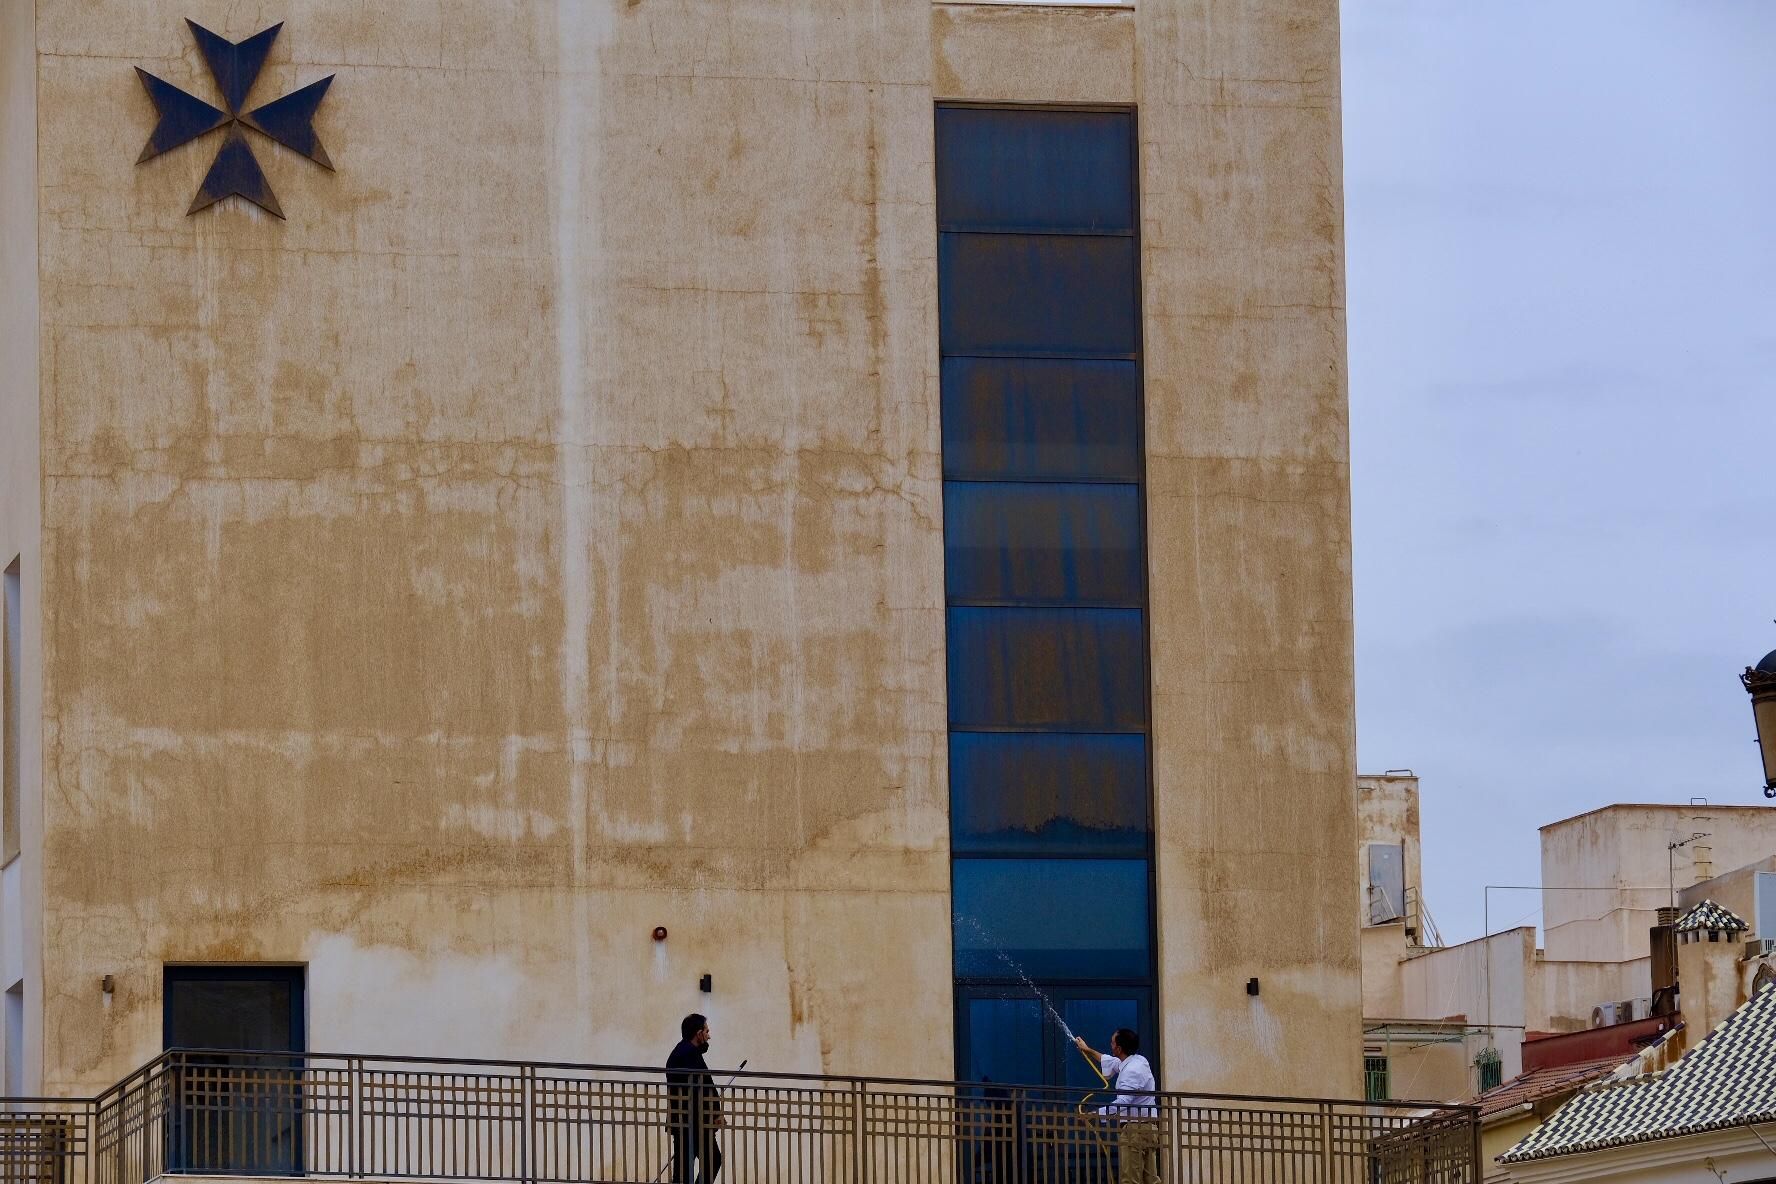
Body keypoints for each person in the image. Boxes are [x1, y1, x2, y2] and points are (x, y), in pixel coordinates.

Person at [1074, 1029, 1159, 1184]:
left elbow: (1123, 1102)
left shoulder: (1132, 1071)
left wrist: (1094, 1114)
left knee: (1130, 1180)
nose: (1110, 1045)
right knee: (1151, 1180)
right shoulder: (1138, 1061)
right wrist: (1088, 1050)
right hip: (1147, 1128)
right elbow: (1110, 1062)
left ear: (1118, 1049)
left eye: (1112, 1042)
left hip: (1136, 1130)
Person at [666, 1014, 724, 1184]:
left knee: (684, 1172)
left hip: (689, 1121)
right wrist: (713, 1115)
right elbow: (700, 1091)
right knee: (710, 1162)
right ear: (698, 1034)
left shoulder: (686, 1051)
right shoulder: (688, 1055)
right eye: (706, 1031)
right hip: (693, 1122)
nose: (709, 1036)